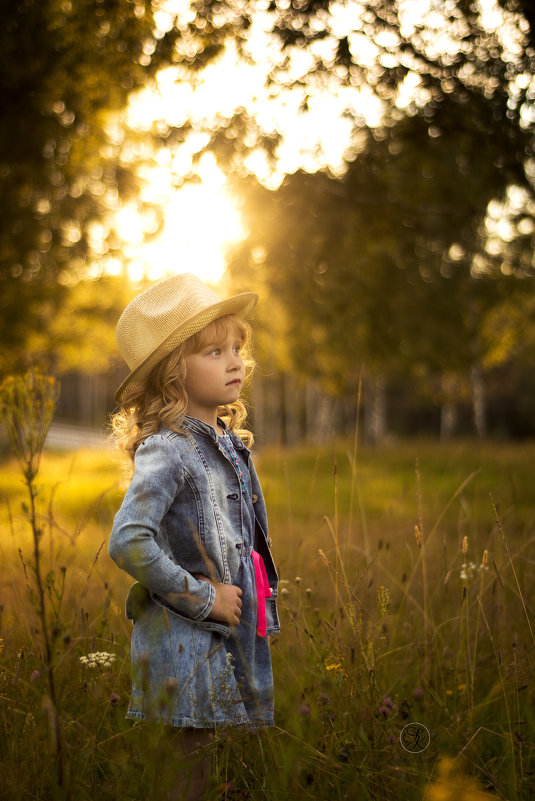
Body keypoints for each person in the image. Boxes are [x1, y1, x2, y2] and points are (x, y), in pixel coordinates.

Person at [108, 273, 280, 799]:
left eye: (236, 348)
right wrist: (204, 598)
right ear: (172, 374)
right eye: (213, 352)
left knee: (202, 768)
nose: (235, 362)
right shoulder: (170, 448)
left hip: (215, 638)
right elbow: (128, 539)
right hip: (182, 641)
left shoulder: (223, 441)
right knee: (187, 776)